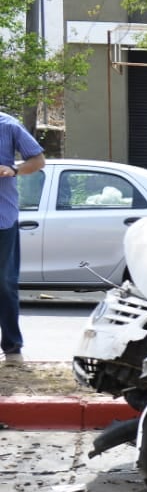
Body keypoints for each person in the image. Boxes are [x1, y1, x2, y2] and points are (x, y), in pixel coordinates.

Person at [0, 112, 46, 364]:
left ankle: (12, 347)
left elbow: (38, 160)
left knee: (4, 283)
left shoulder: (8, 126)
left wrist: (13, 169)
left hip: (2, 219)